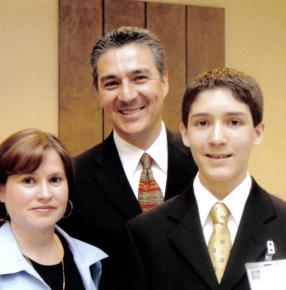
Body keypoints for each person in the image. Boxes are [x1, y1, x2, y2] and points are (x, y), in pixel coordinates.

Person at [125, 68, 286, 290]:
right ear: (185, 133)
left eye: (234, 122)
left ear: (258, 132)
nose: (217, 138)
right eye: (202, 123)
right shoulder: (145, 234)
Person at [59, 26, 197, 289]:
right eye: (111, 83)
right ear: (98, 93)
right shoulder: (75, 177)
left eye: (139, 78)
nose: (127, 95)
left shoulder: (203, 162)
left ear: (164, 81)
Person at [0, 129, 108, 290]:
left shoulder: (92, 261)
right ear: (1, 190)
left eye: (55, 179)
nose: (45, 194)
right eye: (28, 180)